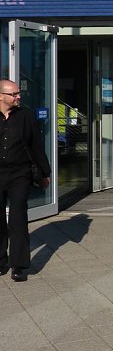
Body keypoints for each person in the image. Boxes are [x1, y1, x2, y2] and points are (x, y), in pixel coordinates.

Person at [0, 79, 50, 282]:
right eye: (14, 94)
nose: (18, 97)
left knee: (18, 216)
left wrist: (45, 173)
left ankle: (18, 265)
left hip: (20, 173)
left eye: (18, 93)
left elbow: (36, 145)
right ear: (1, 96)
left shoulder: (26, 116)